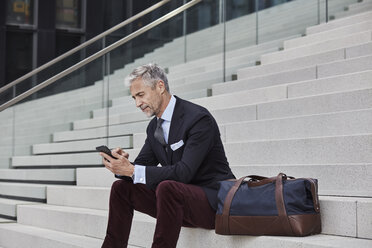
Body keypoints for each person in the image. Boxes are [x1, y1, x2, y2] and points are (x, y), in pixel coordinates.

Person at [100, 63, 235, 248]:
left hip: (213, 203)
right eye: (134, 98)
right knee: (120, 188)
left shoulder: (198, 118)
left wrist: (133, 169)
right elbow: (140, 169)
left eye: (141, 95)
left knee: (167, 187)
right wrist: (122, 164)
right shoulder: (154, 127)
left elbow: (184, 173)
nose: (137, 103)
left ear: (160, 86)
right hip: (177, 204)